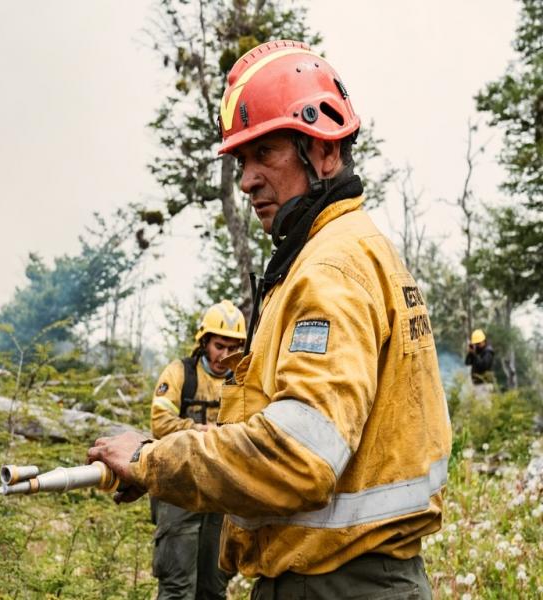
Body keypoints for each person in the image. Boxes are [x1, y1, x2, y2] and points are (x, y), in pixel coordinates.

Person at [89, 39, 452, 599]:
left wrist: (150, 459)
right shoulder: (350, 251)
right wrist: (159, 467)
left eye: (266, 153)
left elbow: (297, 456)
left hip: (336, 585)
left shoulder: (330, 267)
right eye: (241, 161)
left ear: (324, 152)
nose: (247, 179)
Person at [149, 300, 246, 600]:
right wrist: (200, 431)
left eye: (233, 348)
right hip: (179, 487)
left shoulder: (243, 383)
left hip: (221, 492)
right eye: (219, 345)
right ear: (204, 341)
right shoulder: (180, 374)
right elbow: (160, 422)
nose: (225, 355)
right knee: (178, 587)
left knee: (213, 589)